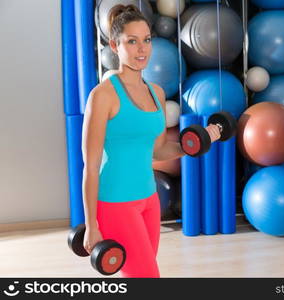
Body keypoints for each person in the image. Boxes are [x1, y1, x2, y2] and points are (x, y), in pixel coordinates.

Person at [81, 4, 220, 278]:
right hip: (116, 204)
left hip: (149, 200)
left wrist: (197, 144)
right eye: (131, 41)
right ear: (114, 45)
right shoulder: (103, 96)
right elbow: (91, 166)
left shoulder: (156, 93)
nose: (141, 49)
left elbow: (157, 151)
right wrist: (91, 224)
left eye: (146, 40)